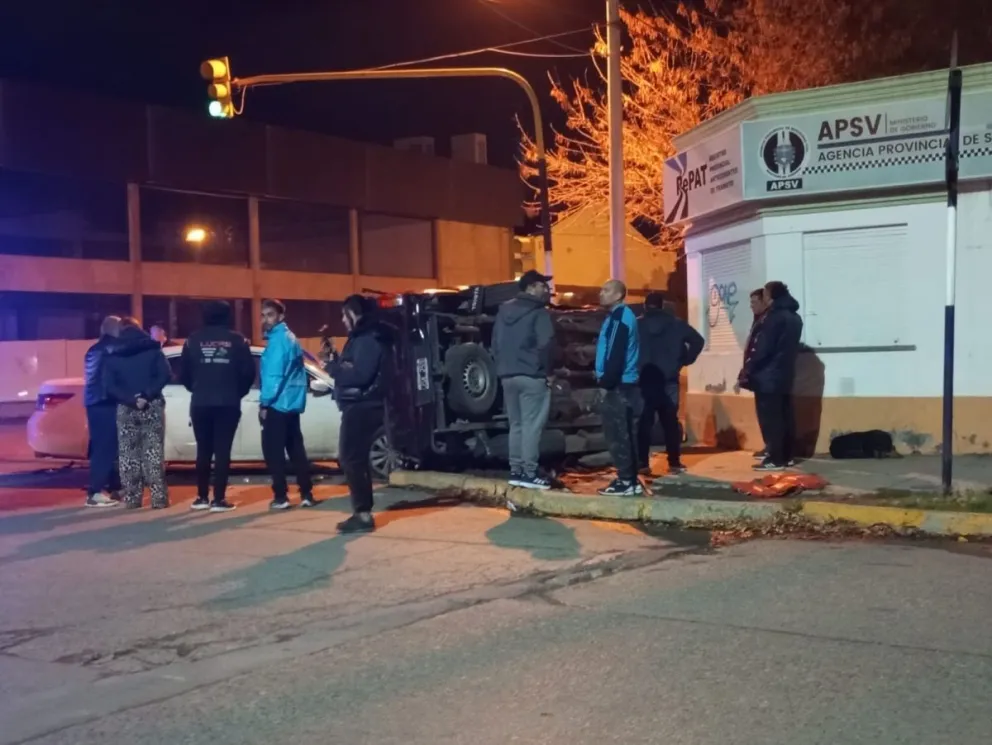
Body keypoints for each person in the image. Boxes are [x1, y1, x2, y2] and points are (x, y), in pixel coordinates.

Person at [321, 295, 392, 534]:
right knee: (353, 459)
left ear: (355, 314)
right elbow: (351, 368)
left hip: (363, 406)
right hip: (359, 405)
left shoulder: (368, 339)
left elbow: (360, 374)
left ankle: (362, 514)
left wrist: (333, 368)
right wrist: (338, 364)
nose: (342, 320)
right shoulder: (361, 339)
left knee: (351, 458)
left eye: (344, 314)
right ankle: (361, 512)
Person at [180, 301, 256, 513]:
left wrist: (197, 387)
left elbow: (183, 373)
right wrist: (236, 391)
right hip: (228, 402)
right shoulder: (238, 340)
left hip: (201, 401)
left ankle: (202, 497)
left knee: (203, 450)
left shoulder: (193, 340)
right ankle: (219, 499)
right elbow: (248, 373)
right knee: (223, 450)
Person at [491, 269, 555, 490]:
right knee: (531, 426)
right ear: (531, 288)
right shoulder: (539, 312)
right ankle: (529, 472)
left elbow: (495, 344)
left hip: (507, 376)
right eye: (542, 285)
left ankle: (516, 470)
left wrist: (503, 368)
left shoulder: (503, 311)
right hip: (532, 375)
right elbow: (546, 344)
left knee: (516, 425)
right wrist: (547, 371)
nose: (547, 290)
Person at [103, 316, 171, 509]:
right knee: (153, 451)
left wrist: (131, 400)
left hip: (126, 408)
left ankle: (133, 498)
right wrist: (146, 395)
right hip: (152, 404)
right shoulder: (153, 348)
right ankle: (158, 498)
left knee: (128, 453)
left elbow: (109, 385)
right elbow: (165, 375)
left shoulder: (113, 352)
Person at [636, 292, 703, 477]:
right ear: (662, 305)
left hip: (645, 381)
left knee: (644, 422)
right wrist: (685, 360)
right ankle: (674, 462)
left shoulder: (636, 325)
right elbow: (698, 341)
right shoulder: (677, 324)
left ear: (645, 306)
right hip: (669, 380)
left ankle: (642, 462)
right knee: (670, 423)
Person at [739, 281, 803, 471]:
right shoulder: (794, 317)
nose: (764, 297)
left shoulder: (773, 318)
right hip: (784, 374)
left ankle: (775, 458)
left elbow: (763, 348)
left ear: (772, 295)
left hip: (767, 376)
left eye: (766, 294)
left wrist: (749, 368)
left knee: (771, 418)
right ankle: (787, 455)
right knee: (785, 415)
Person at [259, 299, 315, 510]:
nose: (265, 319)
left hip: (278, 404)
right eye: (263, 315)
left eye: (270, 315)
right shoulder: (290, 338)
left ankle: (281, 496)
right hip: (291, 403)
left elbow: (274, 376)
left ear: (280, 317)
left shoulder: (279, 341)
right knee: (296, 450)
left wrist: (265, 404)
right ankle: (306, 493)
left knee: (273, 452)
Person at [595, 279, 642, 496]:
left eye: (606, 290)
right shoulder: (618, 317)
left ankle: (626, 481)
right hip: (624, 385)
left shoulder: (620, 318)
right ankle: (630, 480)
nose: (601, 293)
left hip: (619, 386)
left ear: (618, 295)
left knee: (618, 435)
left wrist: (605, 384)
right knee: (626, 435)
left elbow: (615, 354)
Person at [83, 315, 123, 507]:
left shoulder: (94, 349)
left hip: (93, 402)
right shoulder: (113, 349)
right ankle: (96, 491)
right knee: (107, 449)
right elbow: (113, 379)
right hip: (107, 402)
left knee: (105, 447)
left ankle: (114, 488)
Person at [739, 288, 770, 460]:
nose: (751, 306)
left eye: (754, 302)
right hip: (760, 376)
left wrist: (747, 370)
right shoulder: (759, 320)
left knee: (769, 415)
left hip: (766, 377)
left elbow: (759, 350)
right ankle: (769, 446)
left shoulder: (767, 321)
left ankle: (773, 449)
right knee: (763, 414)